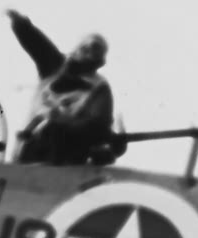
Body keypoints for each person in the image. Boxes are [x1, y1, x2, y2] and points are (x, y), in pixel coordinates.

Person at [7, 11, 123, 166]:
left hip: (66, 154)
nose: (87, 51)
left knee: (57, 132)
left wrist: (63, 123)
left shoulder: (99, 87)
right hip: (30, 146)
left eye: (93, 50)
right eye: (84, 47)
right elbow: (37, 44)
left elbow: (97, 124)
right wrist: (21, 24)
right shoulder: (53, 67)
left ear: (99, 60)